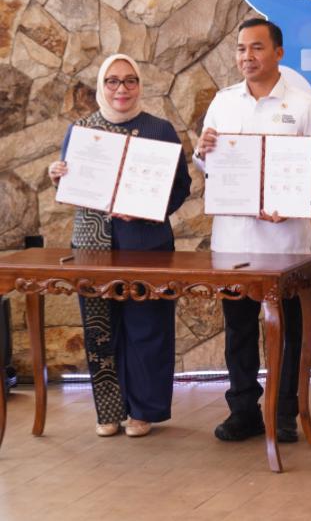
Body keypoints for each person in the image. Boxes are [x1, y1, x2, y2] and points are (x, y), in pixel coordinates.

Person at [195, 18, 311, 443]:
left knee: (289, 331)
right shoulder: (223, 103)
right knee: (239, 330)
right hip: (233, 242)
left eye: (256, 48)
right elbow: (208, 163)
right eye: (241, 49)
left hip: (285, 242)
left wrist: (291, 203)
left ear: (278, 53)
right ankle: (243, 410)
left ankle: (285, 411)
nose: (247, 57)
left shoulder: (304, 106)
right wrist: (202, 152)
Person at [48, 53, 191, 438]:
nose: (121, 89)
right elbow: (71, 183)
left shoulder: (160, 130)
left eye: (130, 80)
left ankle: (143, 411)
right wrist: (58, 175)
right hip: (93, 247)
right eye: (112, 81)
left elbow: (181, 187)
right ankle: (109, 411)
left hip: (148, 245)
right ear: (101, 85)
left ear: (139, 85)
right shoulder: (82, 131)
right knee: (101, 330)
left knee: (148, 328)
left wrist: (148, 210)